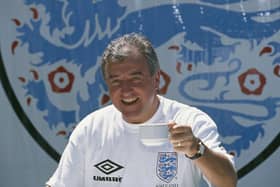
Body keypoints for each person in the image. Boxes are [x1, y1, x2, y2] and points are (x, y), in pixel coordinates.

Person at [46, 33, 237, 187]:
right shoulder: (91, 128)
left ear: (156, 80)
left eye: (135, 78)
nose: (126, 89)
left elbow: (227, 182)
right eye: (116, 81)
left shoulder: (189, 121)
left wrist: (197, 149)